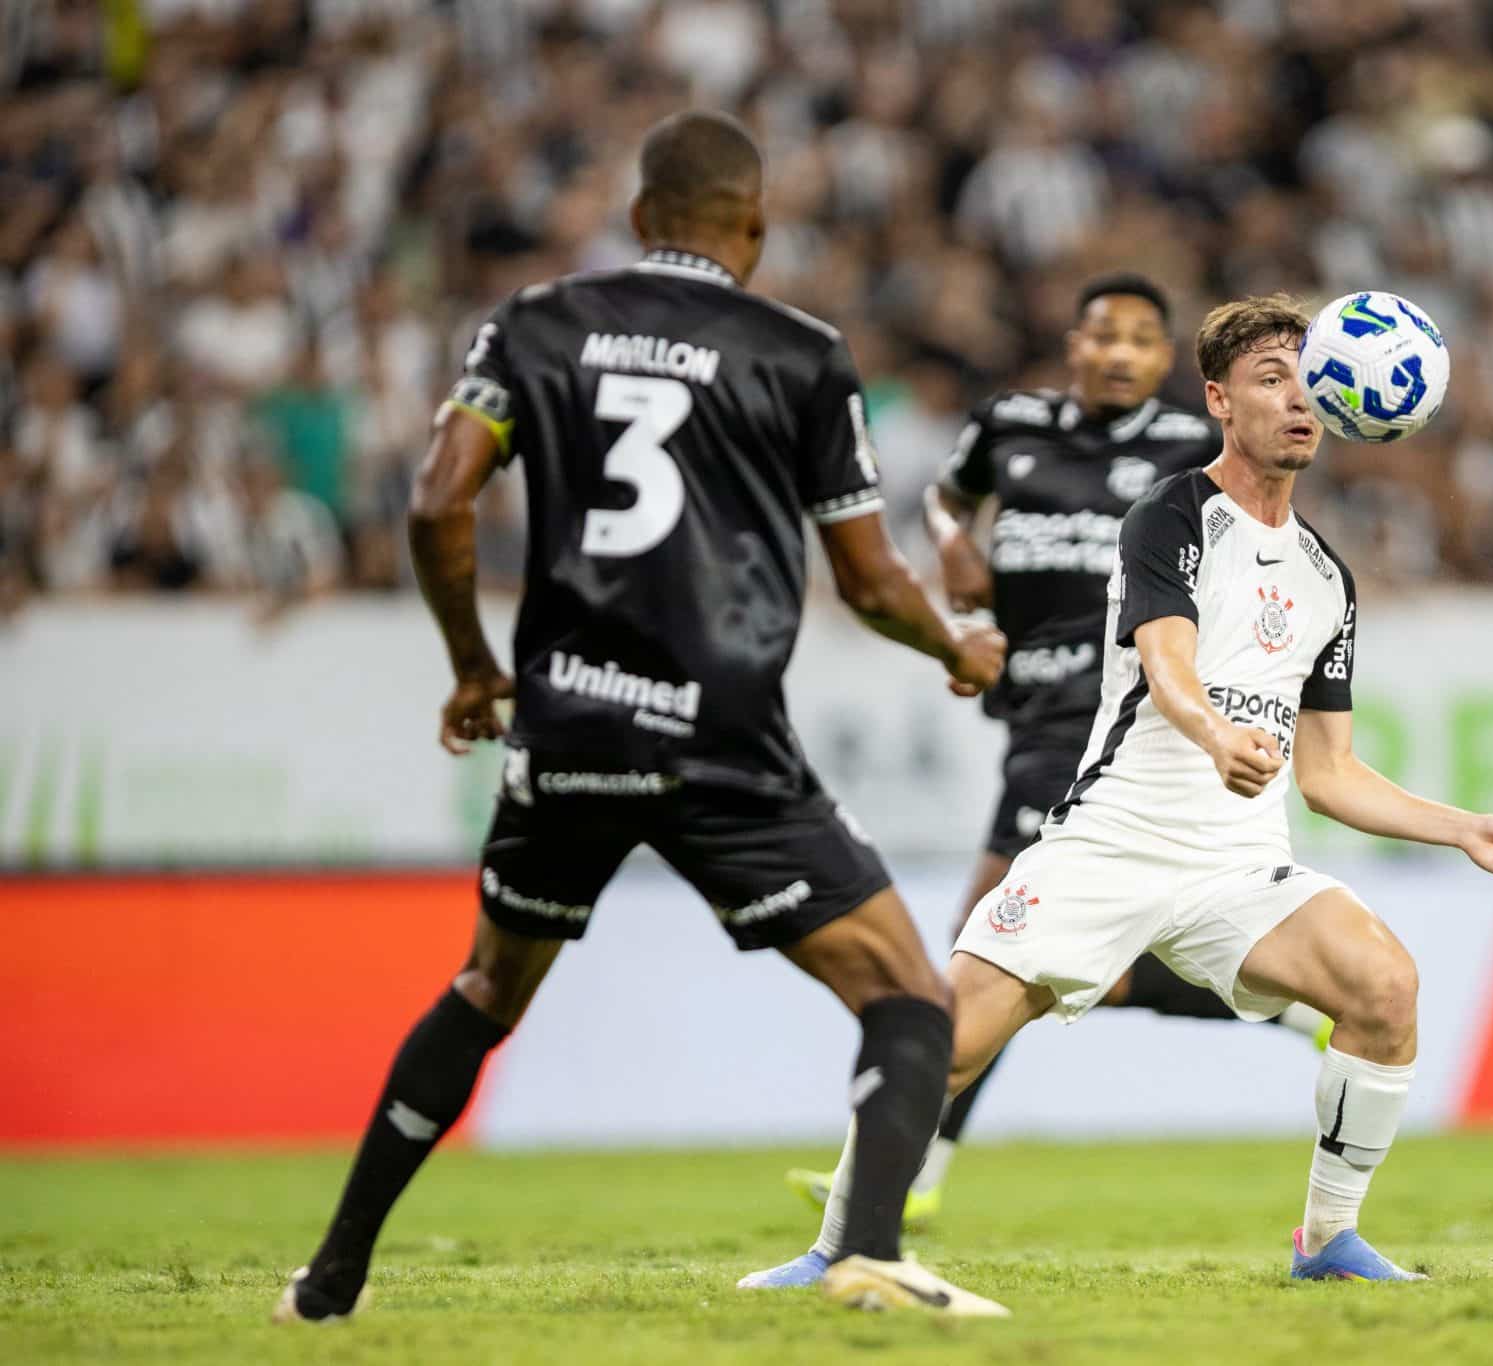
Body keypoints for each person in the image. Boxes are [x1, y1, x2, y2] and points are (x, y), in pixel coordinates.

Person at [273, 110, 1009, 1323]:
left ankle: (333, 1275)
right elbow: (870, 580)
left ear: (637, 218)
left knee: (482, 993)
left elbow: (435, 501)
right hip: (719, 738)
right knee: (904, 994)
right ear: (754, 231)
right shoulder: (800, 352)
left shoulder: (534, 324)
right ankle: (869, 1251)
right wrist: (954, 644)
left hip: (565, 726)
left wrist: (471, 665)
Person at [746, 295, 1493, 1290]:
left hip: (1235, 864)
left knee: (1384, 989)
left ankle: (1327, 1241)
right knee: (941, 1041)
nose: (1298, 398)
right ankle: (835, 1250)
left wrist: (1462, 826)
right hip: (1111, 842)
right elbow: (1165, 664)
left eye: (1309, 380)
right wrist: (1216, 734)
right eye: (1270, 378)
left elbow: (1328, 774)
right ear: (1218, 399)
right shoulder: (1169, 515)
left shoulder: (1322, 577)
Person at [777, 274, 1332, 1235]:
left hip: (1106, 720)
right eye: (1103, 335)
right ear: (1072, 344)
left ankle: (906, 1172)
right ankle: (1282, 1002)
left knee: (985, 949)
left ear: (1169, 364)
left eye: (1142, 342)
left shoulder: (1181, 457)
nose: (1120, 354)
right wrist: (955, 555)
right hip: (1029, 711)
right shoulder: (1009, 425)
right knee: (1052, 962)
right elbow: (945, 504)